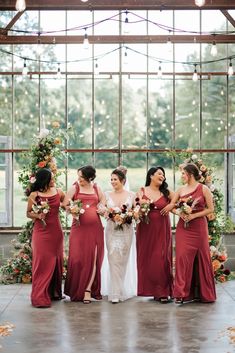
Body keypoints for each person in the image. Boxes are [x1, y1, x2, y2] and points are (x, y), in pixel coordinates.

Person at [163, 163, 216, 304]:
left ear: (190, 174)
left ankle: (204, 293)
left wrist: (194, 216)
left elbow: (210, 209)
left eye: (183, 174)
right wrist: (180, 213)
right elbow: (173, 207)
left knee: (202, 257)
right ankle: (180, 294)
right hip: (183, 228)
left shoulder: (203, 189)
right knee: (182, 258)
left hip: (199, 228)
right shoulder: (180, 190)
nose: (182, 176)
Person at [63, 165, 105, 303]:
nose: (79, 179)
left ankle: (87, 290)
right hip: (78, 228)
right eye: (78, 176)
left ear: (90, 177)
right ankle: (75, 289)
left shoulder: (96, 188)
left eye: (81, 177)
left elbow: (103, 201)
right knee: (77, 259)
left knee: (93, 259)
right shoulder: (74, 188)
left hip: (95, 229)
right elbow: (64, 204)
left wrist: (101, 207)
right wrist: (72, 210)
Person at [26, 168, 65, 308]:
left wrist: (75, 209)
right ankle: (39, 296)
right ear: (45, 180)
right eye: (51, 178)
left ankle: (54, 292)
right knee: (42, 263)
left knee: (56, 260)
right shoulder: (34, 195)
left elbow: (67, 204)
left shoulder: (58, 191)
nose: (54, 180)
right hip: (41, 233)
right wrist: (38, 215)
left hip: (56, 232)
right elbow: (28, 213)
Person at [136, 166, 174, 303]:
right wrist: (140, 208)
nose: (162, 176)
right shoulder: (142, 191)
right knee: (148, 260)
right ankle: (152, 290)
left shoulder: (166, 192)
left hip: (162, 229)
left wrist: (171, 205)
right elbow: (135, 208)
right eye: (159, 173)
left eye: (163, 174)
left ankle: (163, 292)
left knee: (161, 258)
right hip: (145, 230)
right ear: (151, 176)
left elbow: (177, 201)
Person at [101, 168, 137, 304]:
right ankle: (115, 292)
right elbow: (100, 208)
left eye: (115, 179)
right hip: (111, 231)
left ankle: (121, 289)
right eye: (111, 179)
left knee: (123, 261)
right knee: (113, 260)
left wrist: (128, 215)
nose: (112, 182)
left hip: (126, 231)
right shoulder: (107, 194)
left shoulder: (132, 195)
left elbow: (136, 211)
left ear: (123, 180)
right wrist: (108, 213)